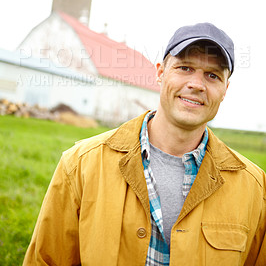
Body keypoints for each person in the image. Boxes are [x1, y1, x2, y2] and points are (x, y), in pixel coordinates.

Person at [23, 22, 265, 266]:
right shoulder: (81, 165)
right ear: (160, 73)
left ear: (225, 89)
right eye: (185, 68)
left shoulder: (255, 189)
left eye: (212, 76)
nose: (197, 84)